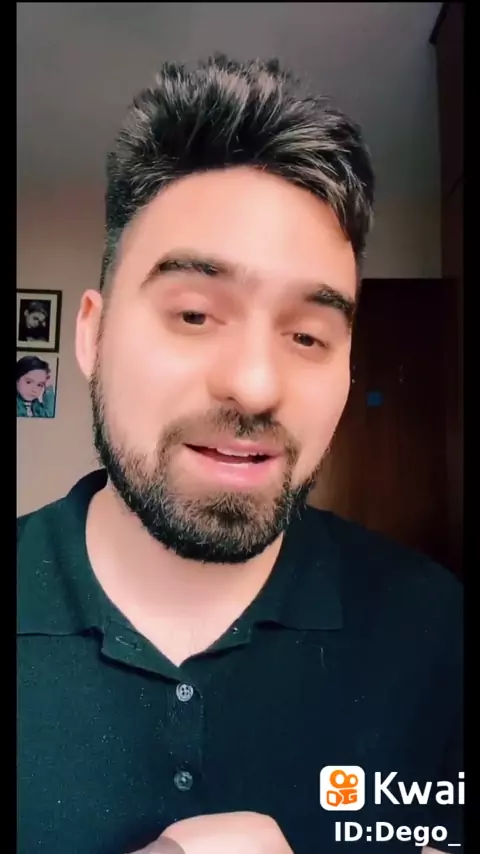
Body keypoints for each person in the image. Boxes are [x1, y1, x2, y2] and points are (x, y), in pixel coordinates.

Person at [17, 56, 463, 854]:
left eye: (308, 336)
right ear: (92, 333)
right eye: (195, 314)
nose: (257, 386)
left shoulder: (436, 629)